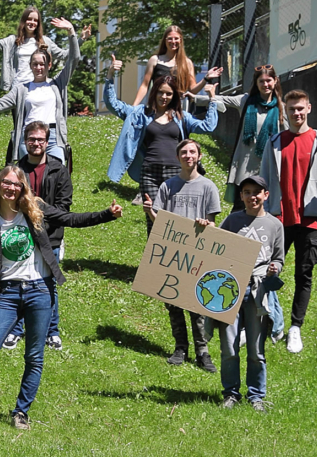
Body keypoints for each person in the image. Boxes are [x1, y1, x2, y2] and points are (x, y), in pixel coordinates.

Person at [0, 166, 122, 430]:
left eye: (15, 184)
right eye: (6, 182)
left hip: (40, 290)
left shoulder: (35, 211)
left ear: (22, 187)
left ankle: (21, 413)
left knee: (34, 357)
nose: (10, 188)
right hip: (9, 294)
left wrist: (107, 214)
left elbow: (71, 219)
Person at [104, 55, 218, 219]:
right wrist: (110, 76)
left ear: (174, 96)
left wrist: (212, 100)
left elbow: (208, 126)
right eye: (160, 93)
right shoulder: (140, 114)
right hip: (149, 173)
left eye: (168, 94)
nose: (164, 97)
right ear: (154, 93)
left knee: (176, 218)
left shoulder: (181, 117)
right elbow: (112, 104)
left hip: (176, 172)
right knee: (153, 219)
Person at [259, 89, 317, 355]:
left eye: (301, 108)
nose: (297, 113)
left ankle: (295, 328)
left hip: (311, 220)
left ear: (309, 108)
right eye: (292, 109)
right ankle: (264, 323)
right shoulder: (275, 141)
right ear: (285, 112)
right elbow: (264, 181)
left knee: (304, 275)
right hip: (278, 219)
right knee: (264, 270)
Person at [143, 139, 221, 371]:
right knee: (173, 302)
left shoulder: (208, 187)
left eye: (192, 152)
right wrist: (150, 213)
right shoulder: (167, 186)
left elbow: (214, 226)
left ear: (199, 156)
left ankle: (202, 352)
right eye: (184, 152)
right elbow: (161, 223)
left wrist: (206, 224)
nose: (188, 156)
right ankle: (180, 348)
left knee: (197, 303)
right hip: (173, 253)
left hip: (197, 252)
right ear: (178, 158)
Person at [2, 120, 74, 351]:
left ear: (47, 142)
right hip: (20, 236)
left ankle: (51, 332)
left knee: (47, 285)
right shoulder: (15, 170)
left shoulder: (58, 170)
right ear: (25, 142)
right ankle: (15, 330)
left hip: (50, 236)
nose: (36, 143)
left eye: (40, 139)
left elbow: (64, 206)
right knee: (17, 283)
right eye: (31, 139)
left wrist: (43, 219)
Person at [214, 175, 284, 411]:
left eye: (257, 192)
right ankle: (230, 394)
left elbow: (278, 257)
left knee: (256, 350)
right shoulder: (233, 221)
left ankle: (256, 396)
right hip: (230, 290)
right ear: (241, 195)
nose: (252, 196)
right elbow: (214, 247)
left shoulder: (275, 225)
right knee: (229, 348)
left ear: (266, 194)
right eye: (246, 192)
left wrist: (276, 268)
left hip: (258, 292)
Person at [0, 18, 81, 165]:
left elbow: (74, 58)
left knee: (57, 177)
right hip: (28, 137)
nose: (39, 68)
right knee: (28, 183)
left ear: (49, 65)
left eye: (42, 64)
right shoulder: (21, 89)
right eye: (35, 64)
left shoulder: (58, 83)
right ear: (30, 66)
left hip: (53, 137)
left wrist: (71, 31)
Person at [215, 65, 285, 208]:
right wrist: (192, 96)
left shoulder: (281, 108)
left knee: (265, 212)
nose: (265, 84)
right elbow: (218, 99)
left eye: (268, 80)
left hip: (268, 168)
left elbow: (290, 136)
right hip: (244, 168)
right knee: (240, 211)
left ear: (275, 81)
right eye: (261, 81)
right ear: (256, 83)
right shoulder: (246, 101)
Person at [0, 2, 66, 92]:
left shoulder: (45, 41)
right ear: (24, 21)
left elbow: (65, 55)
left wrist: (77, 38)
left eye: (35, 20)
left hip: (38, 88)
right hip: (18, 88)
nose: (32, 22)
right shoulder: (12, 41)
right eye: (29, 19)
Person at [131, 25, 220, 105]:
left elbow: (193, 89)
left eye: (176, 38)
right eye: (170, 38)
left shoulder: (187, 63)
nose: (173, 41)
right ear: (165, 40)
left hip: (177, 107)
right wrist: (134, 107)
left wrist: (206, 78)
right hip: (157, 107)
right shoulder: (155, 60)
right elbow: (145, 85)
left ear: (180, 40)